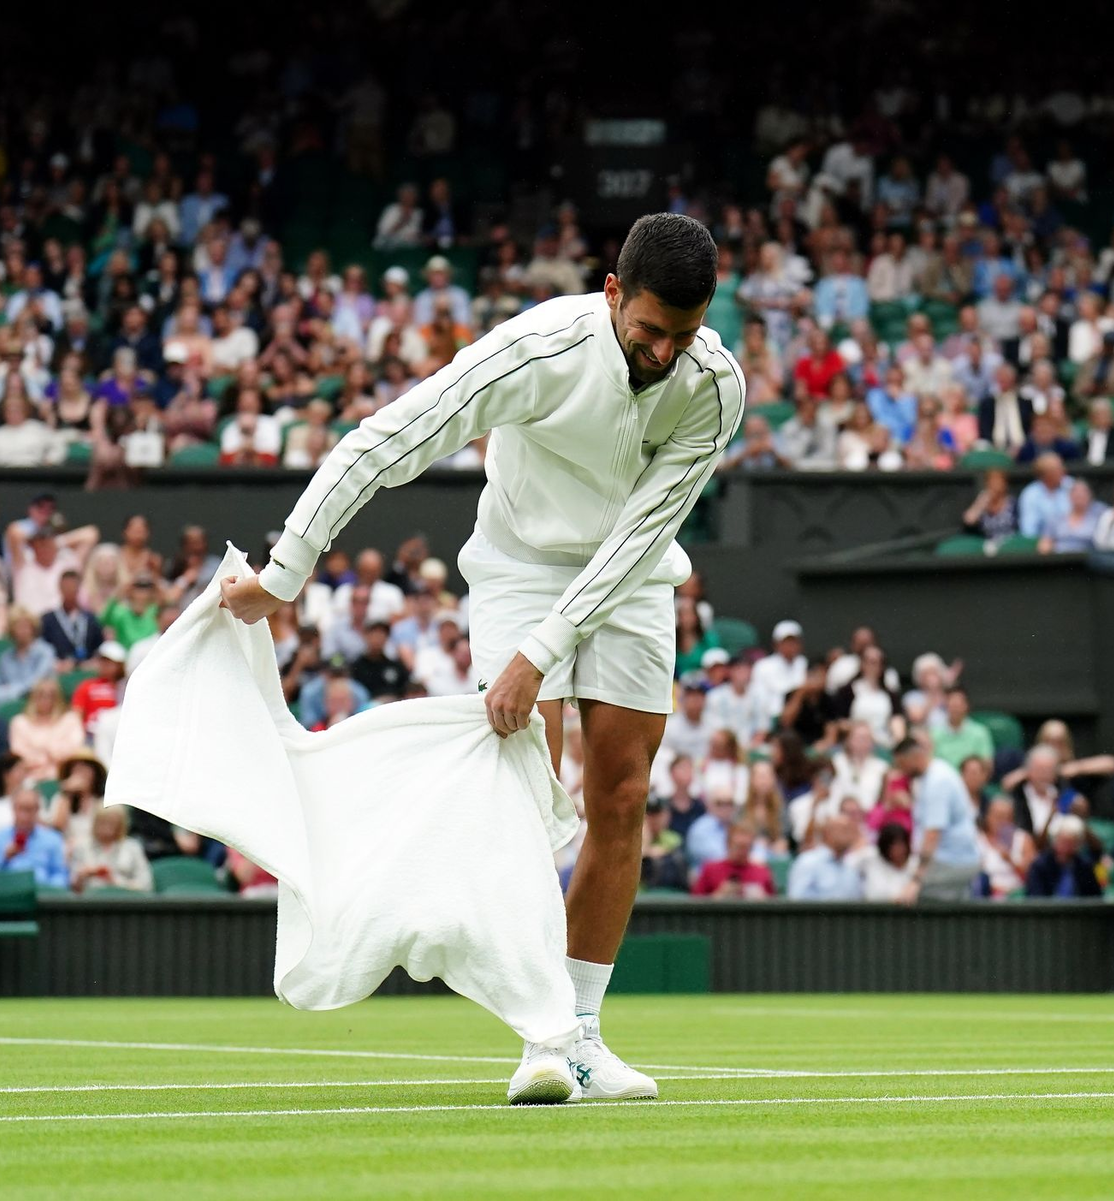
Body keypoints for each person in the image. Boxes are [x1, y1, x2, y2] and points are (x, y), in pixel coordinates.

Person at [219, 213, 742, 1106]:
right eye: (649, 329)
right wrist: (286, 570)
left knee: (620, 794)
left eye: (681, 335)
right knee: (522, 793)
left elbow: (638, 535)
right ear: (612, 293)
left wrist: (543, 655)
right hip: (516, 568)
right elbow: (389, 439)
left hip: (634, 575)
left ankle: (579, 1033)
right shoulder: (535, 350)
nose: (661, 352)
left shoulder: (713, 386)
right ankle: (539, 1032)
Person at [894, 733, 981, 901]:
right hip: (952, 860)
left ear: (914, 757)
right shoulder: (934, 774)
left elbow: (933, 834)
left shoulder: (937, 782)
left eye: (902, 764)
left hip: (953, 861)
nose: (901, 771)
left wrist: (916, 880)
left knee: (916, 897)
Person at [0, 788, 69, 887]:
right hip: (4, 896)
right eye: (21, 809)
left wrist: (47, 888)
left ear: (37, 810)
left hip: (40, 896)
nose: (25, 816)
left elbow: (60, 875)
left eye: (30, 810)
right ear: (13, 808)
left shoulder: (52, 839)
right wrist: (4, 857)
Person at [9, 677, 86, 781]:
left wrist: (46, 751)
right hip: (29, 778)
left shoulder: (71, 720)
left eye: (51, 695)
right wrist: (48, 757)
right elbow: (18, 753)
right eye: (41, 694)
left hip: (64, 775)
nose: (46, 699)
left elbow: (75, 750)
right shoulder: (19, 722)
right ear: (33, 697)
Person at [68, 805, 153, 893]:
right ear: (95, 822)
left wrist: (116, 882)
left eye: (112, 823)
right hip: (91, 902)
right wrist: (82, 876)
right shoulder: (82, 848)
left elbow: (146, 885)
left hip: (124, 900)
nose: (107, 827)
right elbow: (72, 889)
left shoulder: (133, 848)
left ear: (120, 824)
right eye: (103, 822)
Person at [0, 607, 57, 710]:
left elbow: (36, 683)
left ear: (33, 628)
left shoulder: (45, 651)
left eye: (25, 626)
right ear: (12, 630)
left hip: (38, 700)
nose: (22, 631)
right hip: (8, 702)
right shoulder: (5, 658)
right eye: (18, 627)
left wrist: (11, 690)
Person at [1023, 813, 1102, 898]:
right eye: (1062, 841)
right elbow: (1036, 899)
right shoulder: (1040, 866)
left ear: (1078, 845)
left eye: (1070, 843)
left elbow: (1096, 898)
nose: (1065, 847)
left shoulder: (1084, 866)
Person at [786, 814, 863, 899]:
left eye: (851, 830)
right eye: (844, 830)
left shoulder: (850, 867)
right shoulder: (808, 862)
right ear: (827, 833)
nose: (850, 834)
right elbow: (797, 900)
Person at [691, 821, 774, 898]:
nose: (741, 852)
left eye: (745, 847)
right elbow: (694, 906)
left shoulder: (762, 872)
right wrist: (719, 895)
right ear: (728, 843)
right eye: (738, 846)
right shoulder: (711, 869)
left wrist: (762, 898)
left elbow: (774, 906)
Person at [40, 570, 105, 667]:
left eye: (73, 586)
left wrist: (91, 662)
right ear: (60, 588)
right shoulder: (48, 620)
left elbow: (99, 647)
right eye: (66, 586)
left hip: (87, 669)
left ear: (79, 588)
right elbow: (43, 648)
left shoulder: (91, 619)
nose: (69, 590)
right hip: (59, 670)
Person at [978, 795, 1036, 897]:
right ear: (987, 817)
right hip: (985, 896)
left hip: (1017, 896)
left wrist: (1010, 859)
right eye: (997, 816)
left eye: (1006, 817)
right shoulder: (977, 840)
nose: (1001, 821)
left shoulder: (1023, 839)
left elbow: (1032, 875)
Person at [68, 642, 127, 738]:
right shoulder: (87, 686)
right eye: (102, 660)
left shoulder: (124, 688)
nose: (104, 665)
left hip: (116, 734)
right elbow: (77, 713)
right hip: (90, 734)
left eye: (109, 661)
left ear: (119, 665)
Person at [751, 619, 806, 719]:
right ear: (776, 644)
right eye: (786, 642)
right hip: (772, 719)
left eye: (794, 641)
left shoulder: (804, 663)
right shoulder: (763, 666)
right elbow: (760, 700)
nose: (791, 646)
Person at [1038, 478, 1107, 554]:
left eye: (1083, 492)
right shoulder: (1057, 519)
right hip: (1059, 560)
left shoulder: (1100, 515)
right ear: (1069, 496)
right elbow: (1045, 543)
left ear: (1090, 495)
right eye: (1075, 492)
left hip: (1088, 560)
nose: (1079, 495)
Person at [932, 688, 994, 772]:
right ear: (946, 706)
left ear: (966, 706)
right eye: (952, 705)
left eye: (959, 705)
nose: (955, 709)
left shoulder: (980, 732)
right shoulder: (933, 733)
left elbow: (987, 765)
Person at [853, 822, 915, 901]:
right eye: (893, 845)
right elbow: (848, 864)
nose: (898, 850)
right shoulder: (870, 857)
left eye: (901, 844)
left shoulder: (916, 864)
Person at [639, 798, 689, 892]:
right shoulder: (635, 841)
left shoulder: (673, 838)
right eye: (648, 814)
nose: (654, 819)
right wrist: (645, 847)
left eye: (657, 814)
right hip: (642, 895)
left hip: (672, 892)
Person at [962, 468, 1018, 541]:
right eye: (992, 482)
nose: (995, 485)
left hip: (1010, 544)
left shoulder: (1013, 504)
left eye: (998, 482)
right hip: (987, 545)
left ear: (1005, 484)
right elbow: (969, 520)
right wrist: (981, 504)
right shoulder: (982, 502)